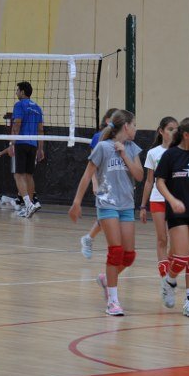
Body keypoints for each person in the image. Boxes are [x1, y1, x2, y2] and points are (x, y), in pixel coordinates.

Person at [69, 109, 143, 316]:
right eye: (134, 125)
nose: (136, 129)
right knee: (116, 252)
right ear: (126, 126)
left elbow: (139, 175)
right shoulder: (102, 147)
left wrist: (124, 154)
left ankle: (105, 278)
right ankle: (112, 301)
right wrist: (76, 202)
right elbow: (87, 176)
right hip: (107, 203)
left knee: (128, 256)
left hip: (126, 205)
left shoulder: (132, 148)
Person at [155, 117, 189, 317]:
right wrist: (172, 200)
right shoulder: (170, 155)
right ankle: (169, 281)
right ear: (186, 135)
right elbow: (160, 182)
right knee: (182, 256)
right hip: (177, 211)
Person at [139, 116, 178, 275]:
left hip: (175, 200)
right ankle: (164, 275)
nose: (173, 132)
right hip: (158, 199)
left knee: (176, 241)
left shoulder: (180, 151)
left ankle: (170, 266)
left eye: (176, 129)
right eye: (170, 129)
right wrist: (143, 206)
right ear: (161, 131)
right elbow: (149, 181)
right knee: (162, 238)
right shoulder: (153, 153)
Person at [81, 108, 121, 258]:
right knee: (109, 215)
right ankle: (92, 239)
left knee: (114, 215)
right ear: (108, 120)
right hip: (104, 183)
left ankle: (89, 238)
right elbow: (92, 164)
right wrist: (94, 183)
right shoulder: (98, 137)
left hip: (118, 183)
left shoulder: (123, 137)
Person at [4, 82, 44, 218]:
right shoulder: (37, 108)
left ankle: (28, 204)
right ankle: (31, 205)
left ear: (22, 92)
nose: (16, 92)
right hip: (33, 145)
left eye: (17, 90)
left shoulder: (19, 105)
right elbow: (40, 130)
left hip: (21, 143)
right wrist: (40, 149)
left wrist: (11, 144)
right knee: (28, 175)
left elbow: (17, 124)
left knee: (18, 175)